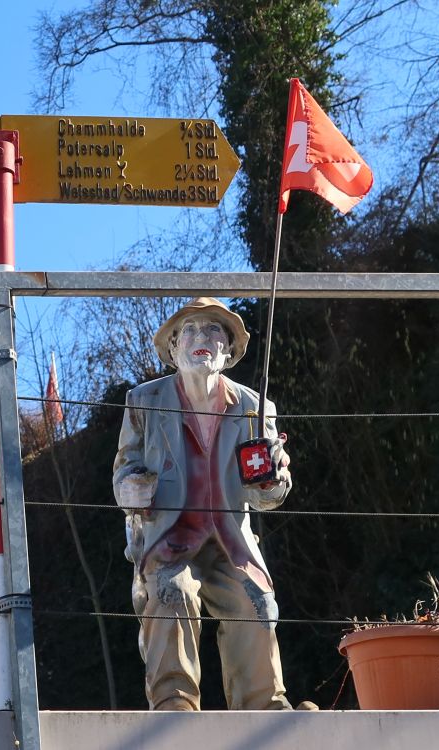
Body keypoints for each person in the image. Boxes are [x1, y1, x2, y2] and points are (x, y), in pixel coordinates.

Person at [113, 297, 302, 711]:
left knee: (256, 601)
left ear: (229, 349)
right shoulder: (144, 401)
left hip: (229, 540)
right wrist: (130, 489)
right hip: (170, 538)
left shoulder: (255, 406)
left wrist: (273, 477)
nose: (202, 338)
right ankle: (174, 705)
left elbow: (265, 496)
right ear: (174, 348)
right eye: (191, 331)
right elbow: (124, 469)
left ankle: (265, 708)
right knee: (172, 591)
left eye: (214, 330)